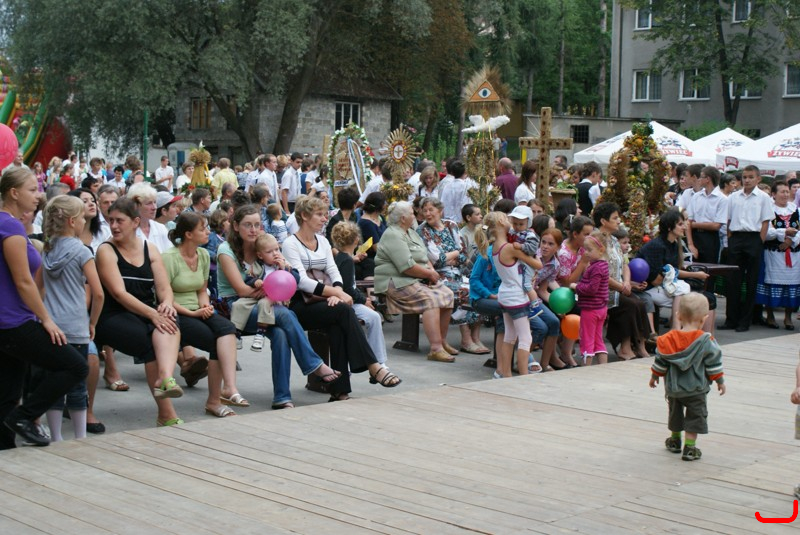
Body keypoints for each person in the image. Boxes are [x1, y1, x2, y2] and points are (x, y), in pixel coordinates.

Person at [216, 205, 341, 409]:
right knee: (284, 314)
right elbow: (242, 290)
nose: (253, 230)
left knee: (281, 333)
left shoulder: (265, 245)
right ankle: (313, 364)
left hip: (266, 303)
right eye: (248, 225)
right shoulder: (226, 250)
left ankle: (282, 397)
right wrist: (272, 290)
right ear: (236, 226)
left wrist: (284, 266)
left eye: (257, 225)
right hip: (237, 306)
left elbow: (291, 280)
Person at [0, 169, 88, 448]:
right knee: (75, 366)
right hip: (13, 321)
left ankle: (6, 447)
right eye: (31, 189)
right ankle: (24, 417)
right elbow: (23, 281)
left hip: (9, 321)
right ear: (14, 193)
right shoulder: (10, 226)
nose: (38, 195)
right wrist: (46, 319)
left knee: (8, 392)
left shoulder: (9, 224)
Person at [282, 196, 401, 400]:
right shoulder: (290, 244)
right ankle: (374, 366)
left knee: (338, 323)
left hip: (326, 301)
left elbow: (333, 271)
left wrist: (338, 291)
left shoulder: (323, 241)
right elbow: (302, 281)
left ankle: (339, 391)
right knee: (344, 312)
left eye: (324, 214)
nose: (324, 219)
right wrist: (337, 293)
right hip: (301, 304)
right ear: (304, 216)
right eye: (319, 214)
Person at [94, 198, 185, 427]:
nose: (114, 226)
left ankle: (166, 377)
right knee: (148, 343)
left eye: (119, 221)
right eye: (111, 220)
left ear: (135, 222)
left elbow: (164, 287)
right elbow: (119, 294)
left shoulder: (149, 248)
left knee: (170, 319)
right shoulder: (106, 250)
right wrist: (153, 314)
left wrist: (166, 304)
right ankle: (166, 413)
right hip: (113, 314)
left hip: (143, 310)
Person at [162, 212, 247, 417]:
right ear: (189, 234)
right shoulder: (169, 257)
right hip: (176, 311)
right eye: (203, 229)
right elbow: (164, 296)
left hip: (197, 309)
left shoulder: (203, 255)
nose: (208, 232)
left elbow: (201, 289)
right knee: (214, 341)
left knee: (227, 328)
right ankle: (214, 401)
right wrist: (193, 313)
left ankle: (229, 388)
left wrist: (205, 306)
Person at [40, 195, 104, 441]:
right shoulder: (81, 251)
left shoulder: (47, 248)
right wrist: (93, 322)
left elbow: (37, 287)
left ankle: (56, 436)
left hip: (51, 325)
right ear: (71, 221)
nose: (84, 222)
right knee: (77, 383)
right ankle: (80, 436)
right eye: (81, 218)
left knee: (54, 381)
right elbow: (98, 293)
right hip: (76, 324)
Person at [375, 201, 455, 362]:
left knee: (448, 294)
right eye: (412, 213)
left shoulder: (411, 232)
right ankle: (435, 349)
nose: (415, 215)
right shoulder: (393, 234)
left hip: (415, 279)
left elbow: (424, 256)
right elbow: (406, 267)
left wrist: (431, 271)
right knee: (430, 299)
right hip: (395, 281)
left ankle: (442, 341)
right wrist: (429, 274)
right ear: (403, 218)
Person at [650, 293, 726, 462]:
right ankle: (690, 448)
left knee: (675, 414)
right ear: (704, 318)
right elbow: (713, 363)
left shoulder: (667, 340)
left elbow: (660, 361)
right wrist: (719, 381)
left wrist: (655, 376)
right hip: (696, 389)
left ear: (678, 316)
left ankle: (675, 440)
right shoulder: (706, 341)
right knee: (695, 417)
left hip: (674, 388)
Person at [417, 196, 486, 355]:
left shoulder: (451, 225)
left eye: (431, 210)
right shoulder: (422, 230)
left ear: (440, 211)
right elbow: (437, 259)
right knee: (464, 292)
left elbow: (463, 254)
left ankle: (475, 337)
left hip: (459, 272)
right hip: (438, 276)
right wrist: (455, 254)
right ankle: (466, 339)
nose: (427, 214)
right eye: (425, 211)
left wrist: (452, 256)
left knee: (479, 289)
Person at [474, 212, 540, 378]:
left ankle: (506, 374)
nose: (511, 221)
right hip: (516, 296)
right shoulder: (510, 248)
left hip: (505, 294)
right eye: (506, 218)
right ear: (501, 223)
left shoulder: (496, 247)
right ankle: (523, 376)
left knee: (509, 336)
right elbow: (537, 264)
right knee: (525, 338)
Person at [637, 208, 714, 332]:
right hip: (648, 288)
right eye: (680, 224)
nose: (685, 227)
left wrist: (694, 274)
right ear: (669, 227)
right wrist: (691, 275)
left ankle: (706, 336)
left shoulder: (673, 244)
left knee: (708, 298)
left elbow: (673, 271)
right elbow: (656, 279)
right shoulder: (656, 246)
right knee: (686, 295)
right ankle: (676, 330)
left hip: (665, 287)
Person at [593, 203, 652, 359]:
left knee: (640, 303)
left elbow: (625, 264)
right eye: (615, 218)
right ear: (603, 221)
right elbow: (600, 272)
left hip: (618, 287)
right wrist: (621, 286)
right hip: (601, 289)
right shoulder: (596, 240)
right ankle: (624, 347)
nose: (619, 220)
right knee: (630, 304)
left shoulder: (613, 239)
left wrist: (626, 282)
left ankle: (640, 345)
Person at [721, 165, 774, 332]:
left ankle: (745, 321)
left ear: (758, 179)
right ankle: (731, 319)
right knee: (733, 280)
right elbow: (728, 220)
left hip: (753, 238)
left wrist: (760, 241)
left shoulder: (764, 197)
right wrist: (730, 238)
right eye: (744, 177)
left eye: (751, 177)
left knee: (751, 281)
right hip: (736, 237)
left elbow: (765, 221)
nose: (747, 180)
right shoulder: (733, 197)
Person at [331, 221, 387, 365]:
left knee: (373, 316)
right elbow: (348, 288)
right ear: (356, 240)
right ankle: (379, 361)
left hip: (345, 300)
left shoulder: (342, 257)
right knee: (374, 317)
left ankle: (377, 360)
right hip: (348, 302)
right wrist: (364, 300)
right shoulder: (347, 261)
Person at [756, 179, 800, 330]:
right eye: (782, 192)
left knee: (792, 284)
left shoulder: (796, 210)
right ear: (774, 194)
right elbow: (766, 232)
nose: (785, 194)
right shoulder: (769, 210)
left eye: (787, 191)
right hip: (773, 254)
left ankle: (788, 317)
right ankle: (770, 315)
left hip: (793, 255)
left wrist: (790, 240)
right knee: (771, 283)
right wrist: (784, 233)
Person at [570, 231, 609, 366]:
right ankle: (604, 367)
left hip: (591, 309)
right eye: (585, 249)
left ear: (601, 250)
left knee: (587, 340)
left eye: (589, 250)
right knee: (598, 339)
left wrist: (577, 287)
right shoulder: (603, 265)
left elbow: (592, 289)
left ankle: (586, 369)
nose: (586, 253)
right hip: (601, 308)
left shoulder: (596, 268)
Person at [686, 166, 727, 263]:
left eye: (701, 177)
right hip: (695, 235)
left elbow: (716, 226)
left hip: (710, 238)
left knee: (709, 267)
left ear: (708, 179)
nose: (699, 179)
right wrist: (690, 244)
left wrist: (694, 224)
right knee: (692, 266)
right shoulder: (696, 196)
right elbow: (688, 220)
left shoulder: (722, 199)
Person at [128, 183, 171, 253]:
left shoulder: (161, 228)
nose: (154, 207)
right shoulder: (127, 231)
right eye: (149, 203)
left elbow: (168, 255)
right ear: (136, 206)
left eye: (155, 202)